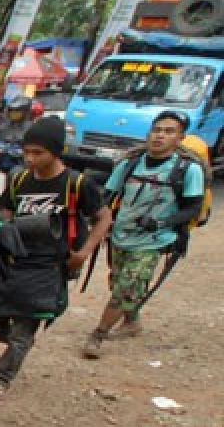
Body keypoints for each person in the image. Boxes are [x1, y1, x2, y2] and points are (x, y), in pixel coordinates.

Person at [0, 117, 111, 399]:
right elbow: (6, 212)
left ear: (56, 152)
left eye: (38, 153)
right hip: (14, 262)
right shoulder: (19, 179)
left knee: (26, 324)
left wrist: (83, 253)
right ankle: (17, 343)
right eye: (26, 152)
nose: (30, 158)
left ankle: (1, 377)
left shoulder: (77, 184)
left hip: (49, 266)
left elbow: (103, 217)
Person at [82, 111, 205, 359]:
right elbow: (108, 196)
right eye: (157, 129)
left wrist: (162, 222)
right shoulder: (129, 164)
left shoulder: (188, 170)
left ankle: (98, 334)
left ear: (180, 138)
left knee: (127, 287)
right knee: (119, 281)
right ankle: (132, 321)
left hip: (155, 240)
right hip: (121, 235)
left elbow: (193, 208)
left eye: (169, 131)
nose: (160, 135)